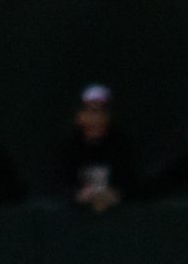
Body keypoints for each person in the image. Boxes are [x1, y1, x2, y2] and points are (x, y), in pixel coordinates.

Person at [56, 83, 135, 212]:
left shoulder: (122, 146)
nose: (95, 119)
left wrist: (115, 194)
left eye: (100, 112)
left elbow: (130, 182)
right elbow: (59, 183)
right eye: (90, 112)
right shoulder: (68, 147)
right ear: (79, 116)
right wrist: (77, 194)